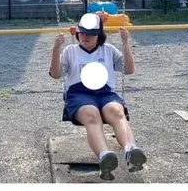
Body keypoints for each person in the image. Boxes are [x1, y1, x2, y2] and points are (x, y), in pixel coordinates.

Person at [49, 14, 147, 180]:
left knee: (116, 111)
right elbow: (56, 74)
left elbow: (129, 70)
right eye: (82, 33)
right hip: (79, 93)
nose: (85, 37)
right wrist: (56, 49)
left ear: (99, 36)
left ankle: (131, 150)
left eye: (90, 34)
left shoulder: (108, 50)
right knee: (91, 114)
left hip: (105, 92)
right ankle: (105, 156)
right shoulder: (70, 51)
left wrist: (126, 44)